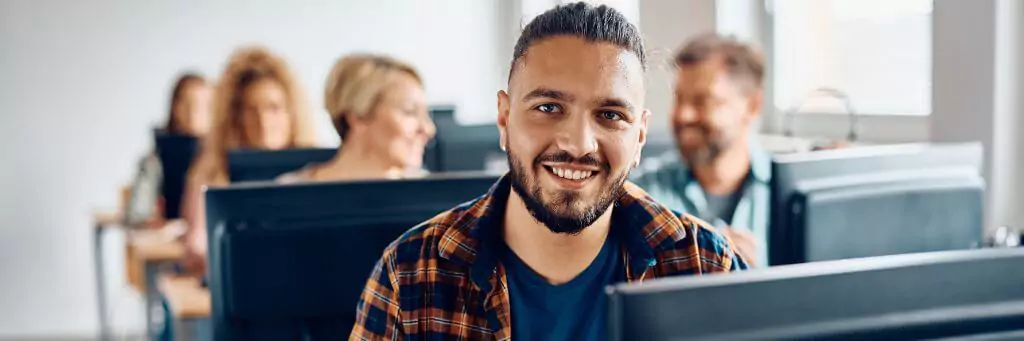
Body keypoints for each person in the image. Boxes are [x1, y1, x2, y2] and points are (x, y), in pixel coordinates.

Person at [350, 3, 746, 340]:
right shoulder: (411, 272)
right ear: (504, 118)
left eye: (610, 115)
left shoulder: (706, 265)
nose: (578, 144)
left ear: (639, 135)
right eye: (548, 108)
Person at [632, 34, 770, 267]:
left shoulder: (790, 197)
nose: (683, 115)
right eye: (679, 99)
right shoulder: (641, 194)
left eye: (702, 101)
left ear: (752, 106)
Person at [178, 46, 318, 271]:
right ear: (234, 117)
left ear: (292, 113)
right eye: (251, 110)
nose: (263, 122)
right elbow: (197, 242)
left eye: (273, 108)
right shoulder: (211, 172)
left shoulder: (317, 171)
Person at [278, 54, 435, 183]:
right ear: (357, 116)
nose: (428, 129)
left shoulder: (437, 201)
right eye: (409, 111)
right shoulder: (287, 191)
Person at [124, 73, 212, 226]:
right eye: (187, 103)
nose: (195, 112)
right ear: (175, 108)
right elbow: (137, 213)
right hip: (169, 244)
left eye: (204, 105)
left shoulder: (221, 156)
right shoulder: (155, 159)